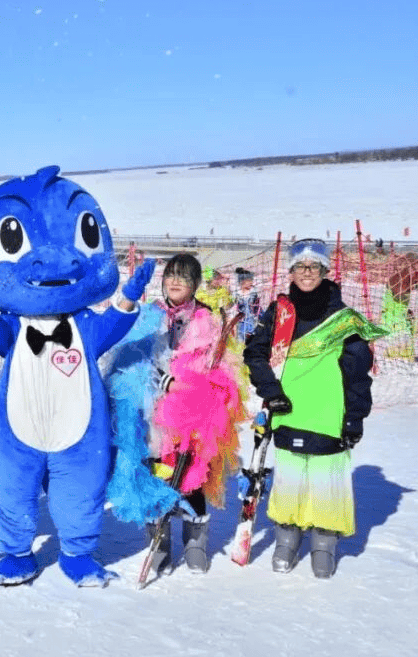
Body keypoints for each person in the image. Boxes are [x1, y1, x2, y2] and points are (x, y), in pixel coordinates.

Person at [243, 238, 386, 578]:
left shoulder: (343, 318)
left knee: (327, 483)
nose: (306, 273)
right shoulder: (280, 311)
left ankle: (324, 545)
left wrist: (354, 417)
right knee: (289, 481)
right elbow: (255, 354)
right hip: (288, 411)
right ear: (290, 272)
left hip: (329, 414)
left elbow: (357, 372)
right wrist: (271, 391)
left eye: (313, 267)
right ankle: (287, 541)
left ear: (325, 270)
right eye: (300, 267)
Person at [138, 255, 244, 575]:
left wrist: (198, 391)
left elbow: (221, 370)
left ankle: (195, 540)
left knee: (192, 476)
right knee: (157, 474)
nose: (175, 282)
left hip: (192, 413)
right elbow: (135, 359)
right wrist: (157, 381)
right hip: (154, 412)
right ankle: (158, 541)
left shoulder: (207, 320)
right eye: (171, 275)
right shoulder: (150, 316)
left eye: (184, 277)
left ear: (195, 284)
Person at [233, 267, 261, 343]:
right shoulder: (236, 295)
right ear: (242, 281)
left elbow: (258, 309)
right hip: (241, 324)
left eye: (252, 280)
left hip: (252, 323)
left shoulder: (253, 294)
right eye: (249, 280)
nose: (251, 283)